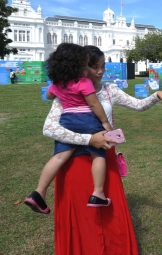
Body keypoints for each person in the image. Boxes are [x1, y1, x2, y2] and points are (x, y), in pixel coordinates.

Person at [42, 45, 162, 254]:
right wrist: (90, 139)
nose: (100, 71)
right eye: (94, 67)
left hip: (104, 158)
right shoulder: (67, 90)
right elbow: (49, 128)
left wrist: (156, 96)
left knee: (109, 212)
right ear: (80, 67)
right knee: (82, 215)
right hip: (76, 163)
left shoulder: (109, 90)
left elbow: (138, 105)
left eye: (103, 66)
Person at [25, 43, 114, 215]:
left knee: (58, 157)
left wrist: (60, 89)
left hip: (67, 120)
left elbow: (49, 95)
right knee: (98, 155)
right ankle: (98, 193)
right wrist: (105, 123)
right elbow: (94, 103)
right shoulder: (84, 82)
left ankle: (39, 192)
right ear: (78, 65)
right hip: (87, 120)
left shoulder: (58, 83)